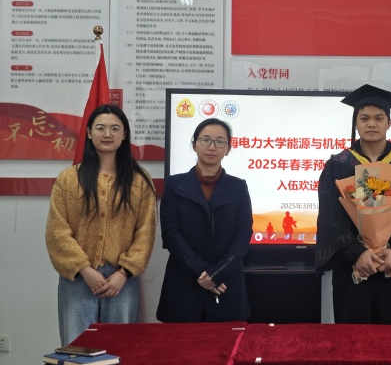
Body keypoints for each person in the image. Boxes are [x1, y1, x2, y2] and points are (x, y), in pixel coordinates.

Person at [316, 84, 391, 324]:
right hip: (353, 267)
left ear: (389, 123)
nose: (371, 124)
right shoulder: (338, 166)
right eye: (364, 118)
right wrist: (357, 253)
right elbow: (330, 216)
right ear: (356, 124)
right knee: (354, 338)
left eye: (379, 118)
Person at [45, 104, 157, 346]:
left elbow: (146, 232)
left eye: (115, 128)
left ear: (124, 134)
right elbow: (57, 232)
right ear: (89, 133)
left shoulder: (139, 180)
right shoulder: (69, 178)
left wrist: (124, 273)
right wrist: (84, 269)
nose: (108, 134)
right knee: (77, 349)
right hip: (77, 279)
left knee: (119, 349)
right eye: (101, 128)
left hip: (121, 282)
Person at [156, 118, 253, 322]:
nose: (212, 146)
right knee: (180, 342)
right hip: (184, 284)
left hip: (226, 284)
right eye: (205, 140)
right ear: (194, 144)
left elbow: (243, 233)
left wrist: (217, 274)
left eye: (220, 141)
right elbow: (171, 234)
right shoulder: (175, 185)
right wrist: (205, 274)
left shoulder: (238, 187)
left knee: (227, 341)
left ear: (228, 149)